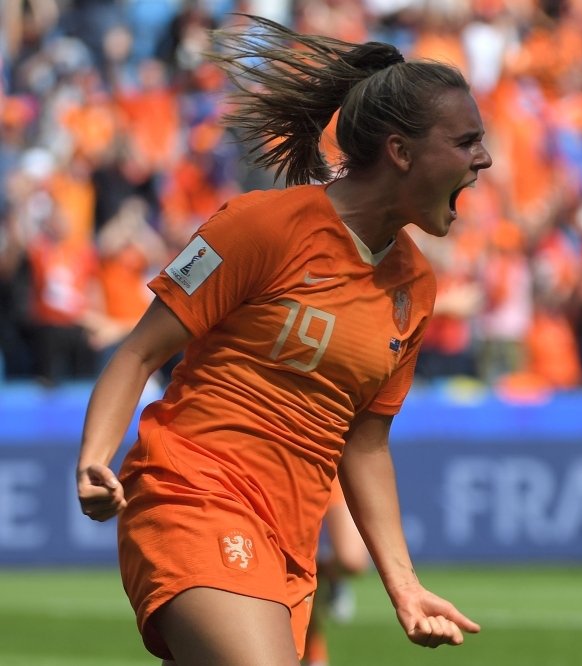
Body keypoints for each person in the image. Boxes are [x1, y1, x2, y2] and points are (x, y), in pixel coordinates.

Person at [75, 15, 490, 666]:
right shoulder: (259, 226)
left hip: (291, 542)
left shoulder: (416, 285)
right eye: (466, 141)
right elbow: (139, 351)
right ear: (401, 152)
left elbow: (366, 440)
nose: (483, 159)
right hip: (193, 494)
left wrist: (404, 587)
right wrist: (95, 458)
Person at [302, 477, 371, 666]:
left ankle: (330, 577)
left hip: (331, 462)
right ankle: (315, 656)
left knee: (353, 561)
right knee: (295, 562)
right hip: (289, 463)